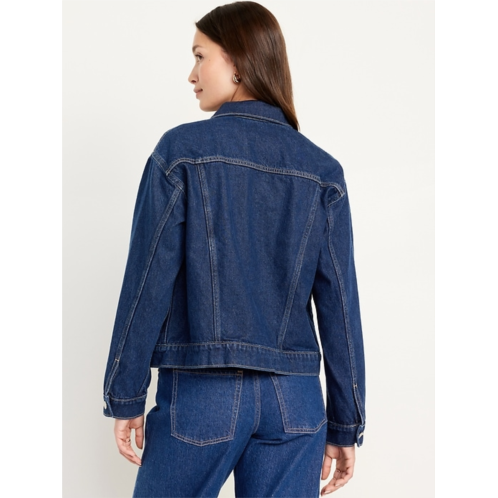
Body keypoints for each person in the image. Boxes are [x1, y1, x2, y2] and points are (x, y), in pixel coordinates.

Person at [102, 2, 366, 497]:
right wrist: (346, 421)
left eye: (200, 56)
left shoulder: (180, 153)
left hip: (204, 395)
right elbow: (340, 306)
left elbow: (146, 281)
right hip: (295, 404)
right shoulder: (322, 171)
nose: (191, 74)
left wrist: (125, 392)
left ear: (239, 61)